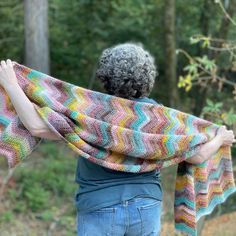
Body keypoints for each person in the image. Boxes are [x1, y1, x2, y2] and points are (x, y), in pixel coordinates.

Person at [0, 43, 235, 236]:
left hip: (99, 207)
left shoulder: (91, 111)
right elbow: (198, 155)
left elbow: (36, 126)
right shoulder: (158, 117)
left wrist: (12, 85)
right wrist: (220, 138)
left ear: (106, 75)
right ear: (147, 78)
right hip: (146, 207)